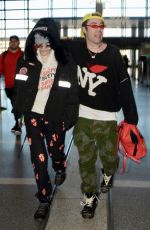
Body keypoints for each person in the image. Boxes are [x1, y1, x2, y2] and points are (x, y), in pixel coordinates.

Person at [66, 12, 138, 219]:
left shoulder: (113, 53)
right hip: (82, 116)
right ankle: (90, 197)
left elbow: (124, 86)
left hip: (107, 117)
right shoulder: (75, 50)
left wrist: (131, 119)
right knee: (86, 159)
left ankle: (108, 172)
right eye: (94, 25)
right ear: (85, 29)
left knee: (108, 157)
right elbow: (52, 46)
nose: (98, 29)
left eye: (101, 26)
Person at [13, 18, 79, 219]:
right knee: (39, 159)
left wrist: (68, 118)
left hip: (55, 116)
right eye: (38, 41)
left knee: (56, 152)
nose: (42, 47)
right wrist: (19, 108)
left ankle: (60, 166)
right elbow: (18, 88)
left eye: (46, 41)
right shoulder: (25, 60)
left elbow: (73, 93)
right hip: (33, 117)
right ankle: (43, 197)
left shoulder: (65, 62)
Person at [0, 35, 23, 135]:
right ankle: (18, 122)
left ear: (19, 43)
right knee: (15, 105)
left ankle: (18, 125)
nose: (13, 43)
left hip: (22, 86)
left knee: (17, 105)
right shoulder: (3, 55)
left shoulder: (24, 55)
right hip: (9, 86)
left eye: (15, 41)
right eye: (11, 41)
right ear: (9, 43)